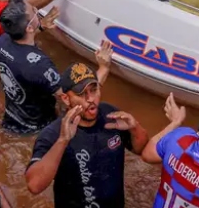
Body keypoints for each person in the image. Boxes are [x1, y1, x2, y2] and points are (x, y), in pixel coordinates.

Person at [25, 63, 147, 208]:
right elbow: (34, 186)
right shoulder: (53, 134)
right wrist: (63, 141)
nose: (90, 99)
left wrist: (135, 127)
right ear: (65, 99)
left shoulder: (111, 115)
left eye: (94, 90)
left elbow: (140, 149)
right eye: (81, 93)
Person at [0, 1, 113, 135]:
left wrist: (40, 27)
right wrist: (104, 67)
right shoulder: (40, 65)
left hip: (11, 117)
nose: (36, 10)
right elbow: (70, 96)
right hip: (36, 127)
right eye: (34, 11)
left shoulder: (3, 41)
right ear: (28, 28)